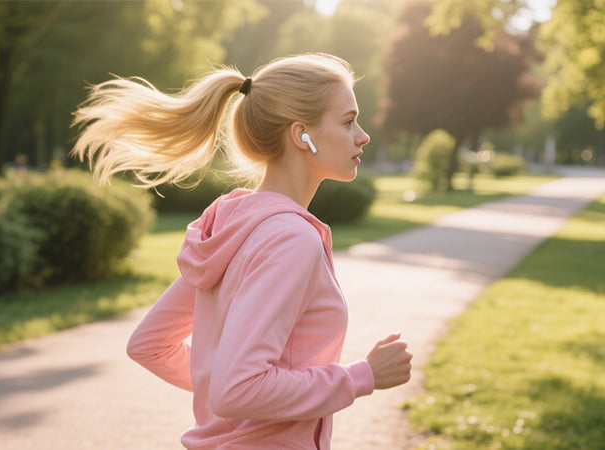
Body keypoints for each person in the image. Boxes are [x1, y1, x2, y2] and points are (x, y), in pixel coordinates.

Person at [71, 53, 412, 449]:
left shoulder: (235, 225)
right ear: (302, 134)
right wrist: (361, 377)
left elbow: (151, 345)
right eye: (348, 120)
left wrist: (230, 388)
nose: (363, 135)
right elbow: (238, 389)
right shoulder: (291, 240)